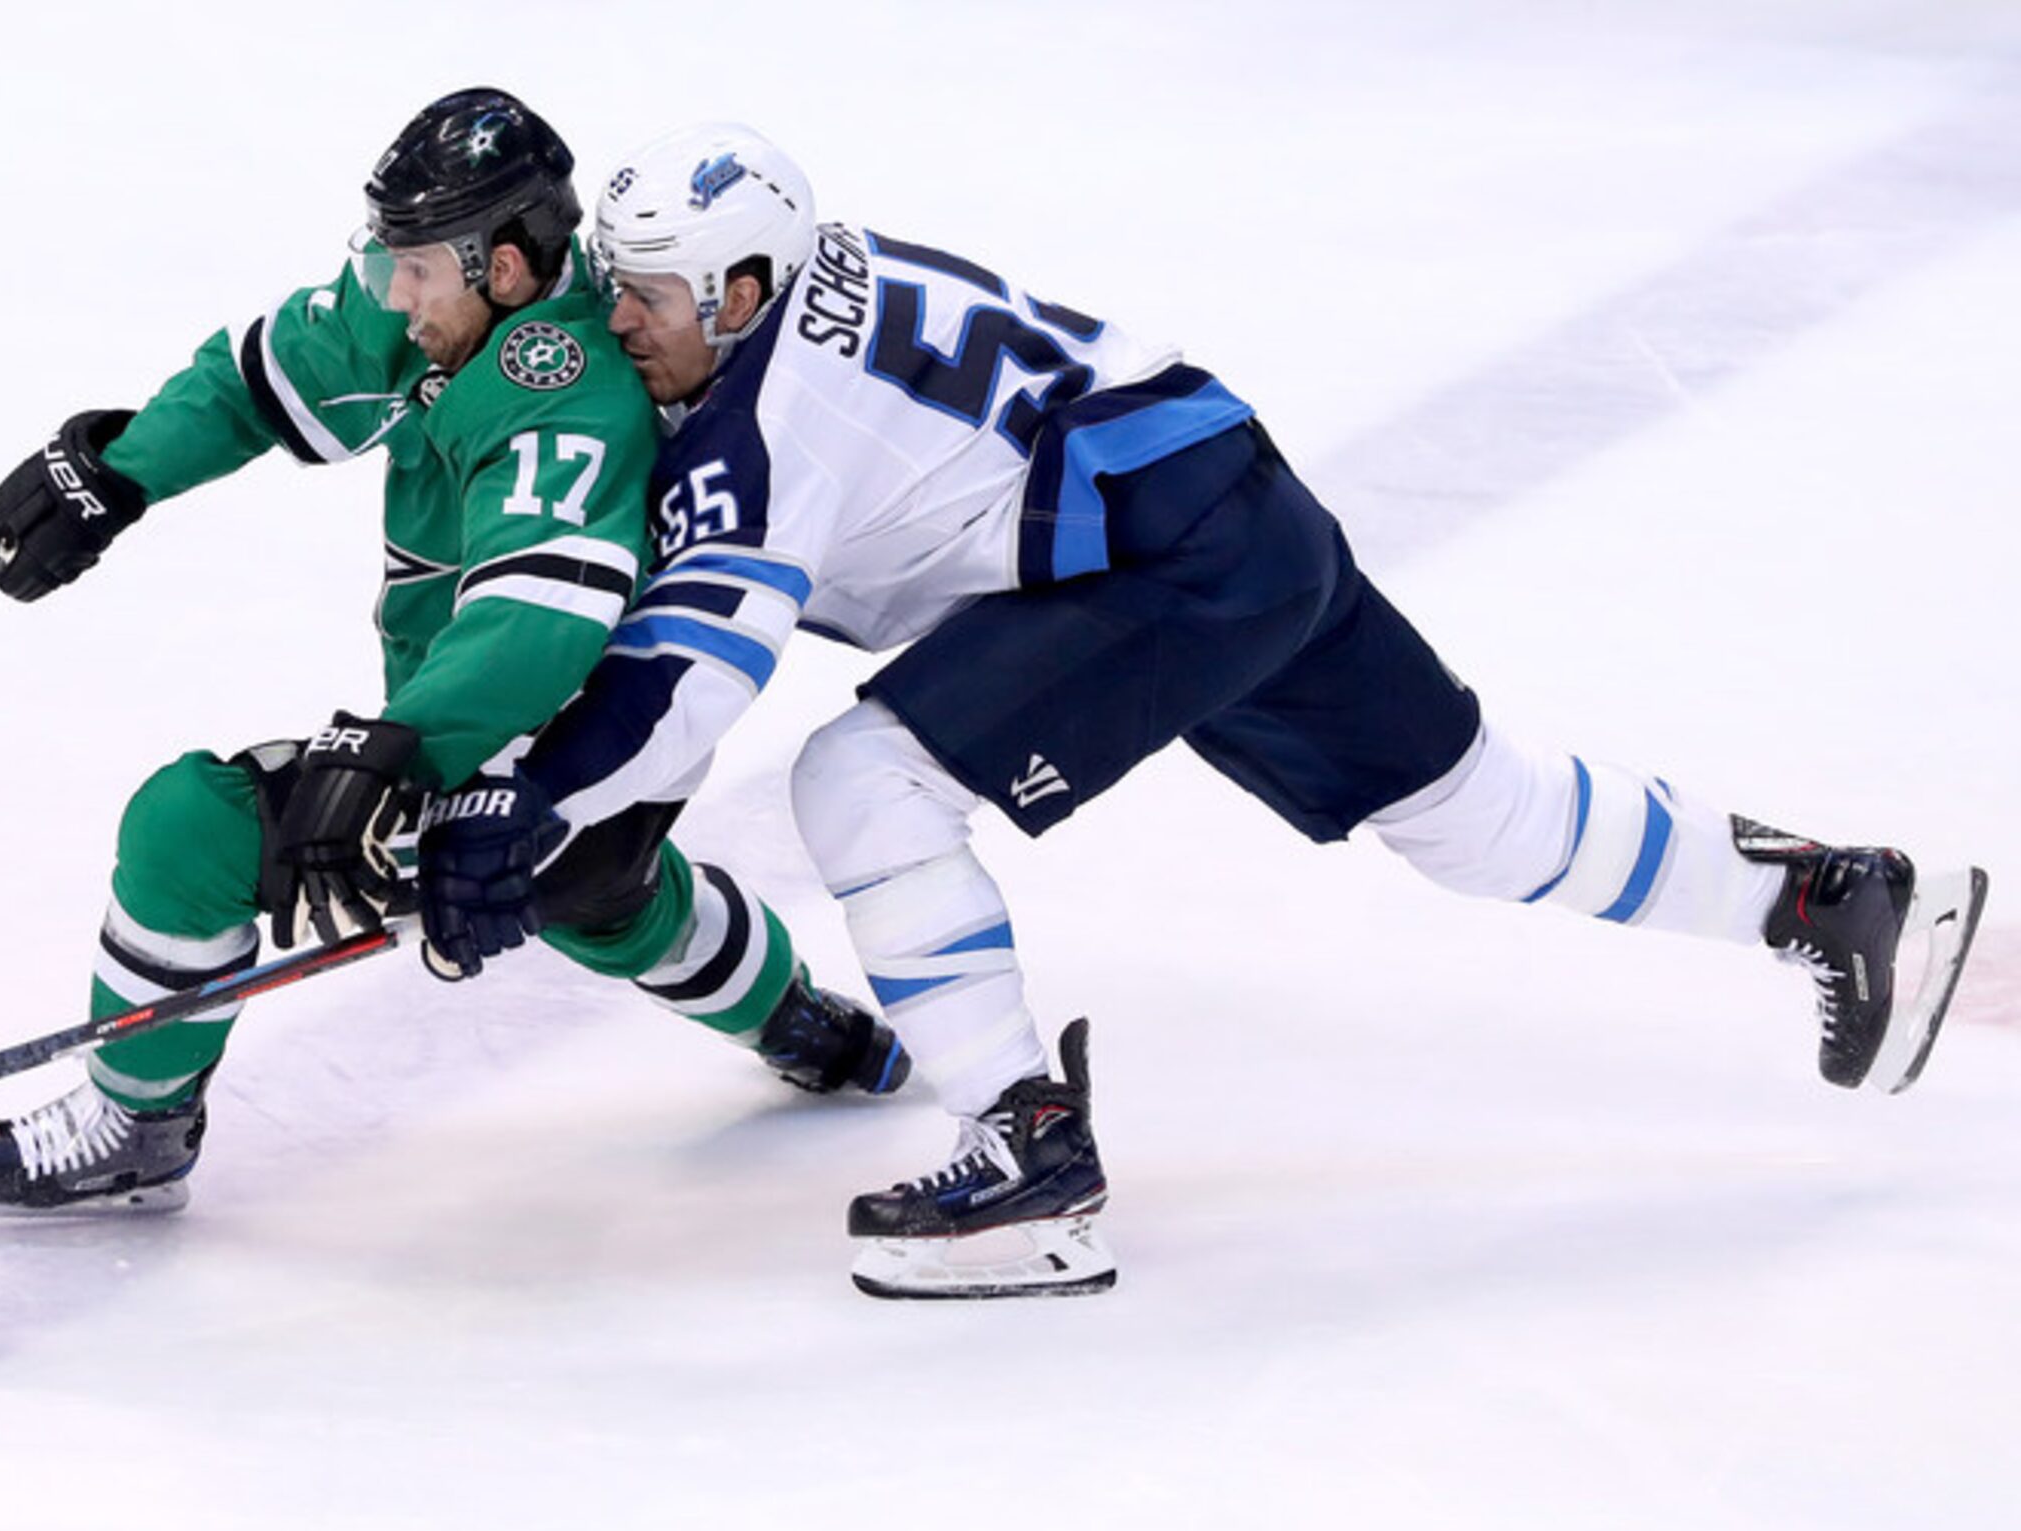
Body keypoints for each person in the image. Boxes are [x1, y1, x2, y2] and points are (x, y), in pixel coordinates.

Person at [415, 124, 1990, 1299]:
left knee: (865, 786)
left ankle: (1032, 1162)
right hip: (1229, 507)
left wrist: (539, 798)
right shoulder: (812, 279)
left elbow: (698, 669)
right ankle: (1830, 899)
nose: (621, 324)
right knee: (1474, 815)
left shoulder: (761, 417)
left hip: (1162, 561)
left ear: (748, 286)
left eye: (654, 297)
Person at [0, 91, 907, 1218]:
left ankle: (136, 1123)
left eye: (415, 269)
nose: (391, 293)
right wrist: (121, 473)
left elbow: (536, 623)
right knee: (616, 903)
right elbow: (269, 372)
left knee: (192, 828)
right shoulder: (437, 299)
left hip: (541, 762)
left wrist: (395, 751)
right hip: (588, 773)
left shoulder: (571, 396)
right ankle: (804, 1023)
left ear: (504, 265)